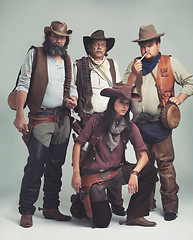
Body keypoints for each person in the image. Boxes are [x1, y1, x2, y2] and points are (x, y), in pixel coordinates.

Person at [122, 24, 193, 221]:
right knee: (144, 167)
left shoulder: (169, 62)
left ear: (158, 44)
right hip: (138, 126)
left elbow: (189, 80)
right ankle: (146, 203)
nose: (145, 49)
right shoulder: (134, 65)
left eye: (149, 45)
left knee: (166, 166)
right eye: (142, 46)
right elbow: (123, 91)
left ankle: (170, 207)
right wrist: (133, 75)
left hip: (160, 124)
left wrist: (179, 99)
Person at [13, 21, 78, 228]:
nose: (59, 40)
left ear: (66, 39)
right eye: (55, 36)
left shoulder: (67, 60)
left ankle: (51, 207)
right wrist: (20, 115)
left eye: (63, 37)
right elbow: (23, 84)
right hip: (40, 118)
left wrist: (73, 99)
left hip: (63, 119)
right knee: (36, 163)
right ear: (49, 36)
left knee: (56, 165)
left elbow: (73, 86)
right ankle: (26, 210)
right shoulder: (36, 54)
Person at [71, 83, 158, 228]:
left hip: (113, 173)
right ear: (113, 103)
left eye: (127, 103)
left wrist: (135, 173)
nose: (125, 106)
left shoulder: (130, 126)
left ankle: (135, 215)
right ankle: (79, 204)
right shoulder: (97, 120)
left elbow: (144, 156)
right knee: (102, 222)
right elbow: (78, 144)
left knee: (149, 171)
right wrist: (76, 173)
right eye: (121, 102)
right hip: (94, 176)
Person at [72, 30, 125, 216]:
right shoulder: (80, 65)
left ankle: (116, 202)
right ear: (89, 46)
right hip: (89, 120)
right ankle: (84, 198)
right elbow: (72, 89)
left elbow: (119, 90)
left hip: (111, 119)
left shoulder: (112, 64)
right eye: (96, 44)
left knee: (115, 158)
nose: (99, 47)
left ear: (106, 47)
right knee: (87, 160)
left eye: (102, 44)